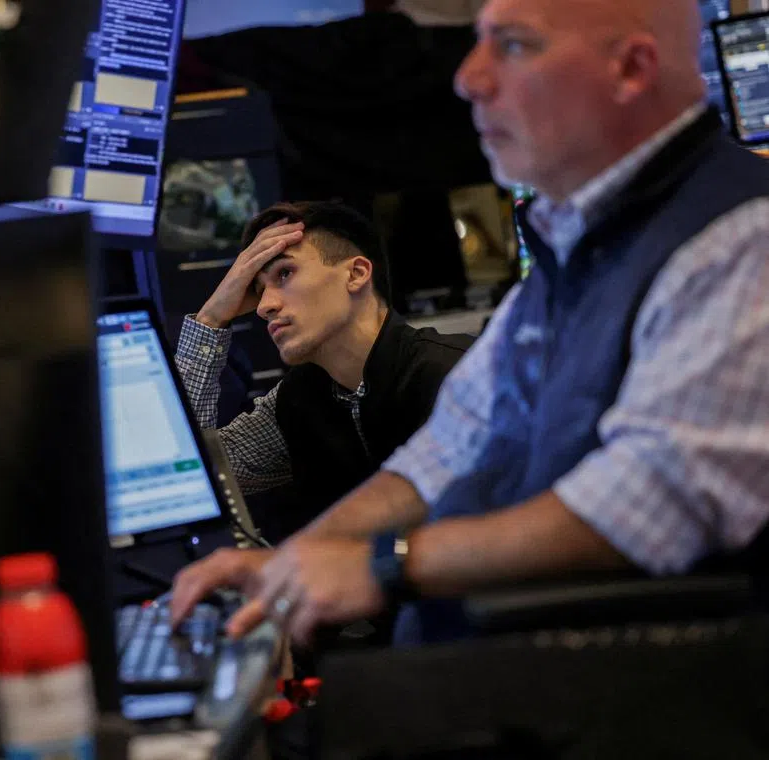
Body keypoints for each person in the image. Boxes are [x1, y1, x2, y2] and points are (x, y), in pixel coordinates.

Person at [171, 0, 769, 647]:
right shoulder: (577, 251)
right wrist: (294, 562)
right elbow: (453, 443)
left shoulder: (738, 239)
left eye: (511, 45)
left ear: (630, 69)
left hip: (651, 685)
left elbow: (646, 505)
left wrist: (384, 564)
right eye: (476, 41)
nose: (469, 77)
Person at [175, 201, 473, 536]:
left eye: (284, 274)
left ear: (356, 273)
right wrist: (211, 319)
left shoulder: (458, 376)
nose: (264, 306)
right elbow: (184, 482)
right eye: (258, 290)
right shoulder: (298, 399)